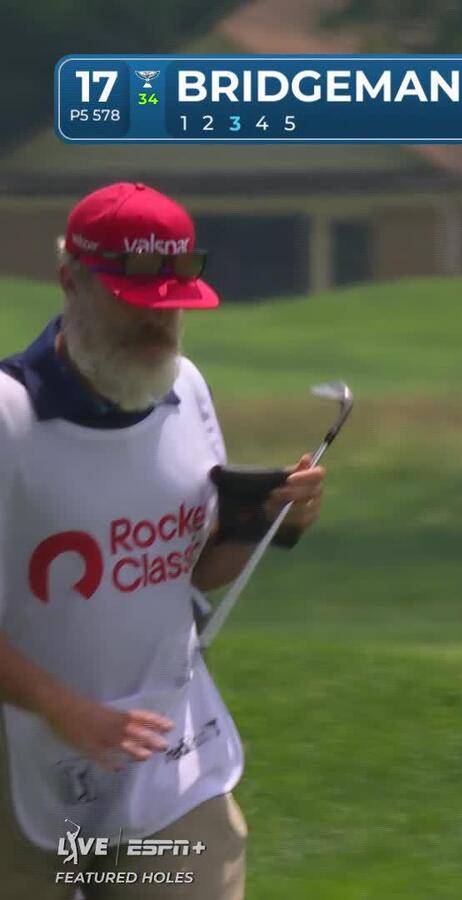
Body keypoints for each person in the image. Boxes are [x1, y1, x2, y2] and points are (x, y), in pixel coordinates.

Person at [0, 181, 326, 898]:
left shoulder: (186, 390)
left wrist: (276, 523)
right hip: (18, 763)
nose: (159, 325)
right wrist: (63, 708)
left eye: (173, 304)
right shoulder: (9, 417)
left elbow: (193, 571)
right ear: (69, 282)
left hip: (167, 759)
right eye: (134, 302)